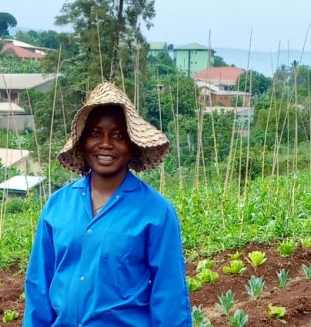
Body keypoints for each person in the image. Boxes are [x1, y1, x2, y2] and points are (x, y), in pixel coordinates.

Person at [23, 82, 192, 327]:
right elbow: (39, 284)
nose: (105, 144)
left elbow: (170, 295)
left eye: (118, 135)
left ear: (132, 144)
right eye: (95, 134)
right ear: (81, 142)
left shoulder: (156, 212)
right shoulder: (57, 206)